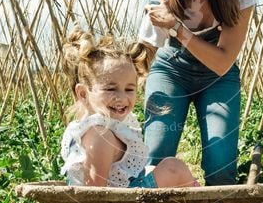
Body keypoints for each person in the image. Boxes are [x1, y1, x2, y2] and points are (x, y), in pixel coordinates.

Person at [138, 0, 256, 186]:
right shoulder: (161, 1)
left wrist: (178, 28)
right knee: (156, 154)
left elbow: (223, 61)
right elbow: (143, 56)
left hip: (217, 77)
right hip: (171, 71)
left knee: (220, 164)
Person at [60, 29, 198, 188]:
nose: (122, 97)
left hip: (124, 194)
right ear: (83, 94)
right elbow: (94, 197)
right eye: (111, 89)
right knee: (174, 169)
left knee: (162, 167)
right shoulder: (99, 135)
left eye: (129, 89)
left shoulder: (104, 127)